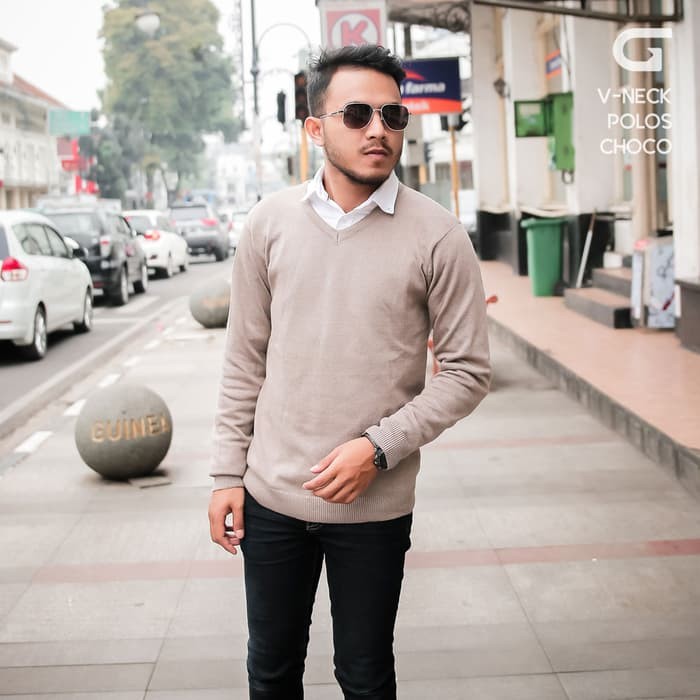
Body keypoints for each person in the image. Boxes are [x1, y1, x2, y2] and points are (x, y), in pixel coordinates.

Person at [208, 44, 491, 700]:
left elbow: (467, 371)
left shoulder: (439, 235)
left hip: (374, 506)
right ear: (315, 128)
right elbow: (245, 359)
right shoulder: (268, 224)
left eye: (393, 115)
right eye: (358, 114)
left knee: (364, 677)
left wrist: (378, 448)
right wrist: (226, 475)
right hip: (272, 498)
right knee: (270, 672)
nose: (378, 131)